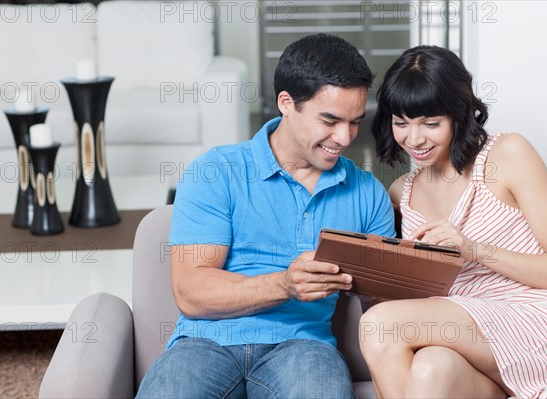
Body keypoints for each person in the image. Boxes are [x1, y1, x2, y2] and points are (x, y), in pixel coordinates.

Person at [135, 33, 395, 398]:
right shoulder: (215, 171)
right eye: (330, 120)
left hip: (304, 349)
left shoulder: (367, 194)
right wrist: (284, 285)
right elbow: (191, 291)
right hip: (205, 342)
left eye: (354, 122)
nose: (344, 137)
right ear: (286, 103)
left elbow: (382, 307)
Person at [362, 45, 547, 398]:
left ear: (459, 113)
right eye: (401, 123)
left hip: (534, 320)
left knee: (379, 327)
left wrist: (474, 250)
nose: (414, 139)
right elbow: (409, 295)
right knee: (430, 369)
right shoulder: (401, 192)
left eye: (431, 123)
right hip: (464, 339)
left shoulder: (507, 154)